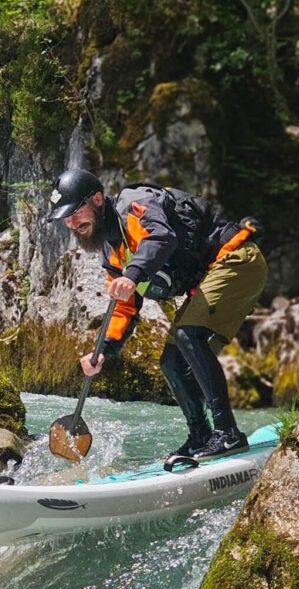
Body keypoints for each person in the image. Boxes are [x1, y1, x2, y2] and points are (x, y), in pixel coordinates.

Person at [48, 168, 267, 459]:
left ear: (98, 199)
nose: (73, 223)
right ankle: (200, 436)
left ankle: (228, 434)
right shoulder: (112, 253)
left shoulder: (135, 203)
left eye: (76, 212)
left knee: (190, 336)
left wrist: (134, 274)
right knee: (171, 362)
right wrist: (103, 350)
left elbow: (161, 236)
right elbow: (123, 307)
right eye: (66, 218)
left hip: (237, 260)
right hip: (215, 275)